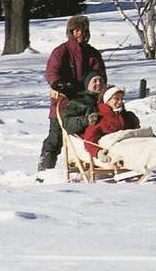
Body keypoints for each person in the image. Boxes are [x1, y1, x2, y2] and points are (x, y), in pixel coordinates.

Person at [39, 15, 106, 172]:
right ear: (71, 32)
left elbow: (100, 75)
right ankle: (44, 169)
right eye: (76, 30)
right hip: (63, 102)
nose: (80, 33)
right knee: (56, 138)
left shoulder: (93, 53)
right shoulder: (61, 51)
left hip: (88, 102)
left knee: (94, 131)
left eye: (83, 30)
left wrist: (99, 88)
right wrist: (59, 84)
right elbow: (52, 73)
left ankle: (89, 164)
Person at [82, 86, 141, 159]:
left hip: (133, 145)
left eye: (121, 99)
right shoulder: (99, 118)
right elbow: (89, 140)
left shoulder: (128, 116)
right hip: (116, 151)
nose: (120, 102)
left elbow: (137, 133)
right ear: (107, 100)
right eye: (116, 99)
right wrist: (98, 152)